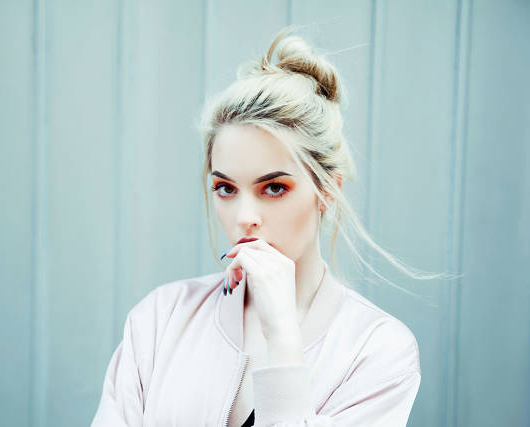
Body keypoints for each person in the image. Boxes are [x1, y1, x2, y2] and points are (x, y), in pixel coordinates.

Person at [91, 26, 439, 426]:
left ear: (326, 190)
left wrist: (283, 338)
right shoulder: (160, 319)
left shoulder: (376, 350)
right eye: (225, 188)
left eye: (274, 187)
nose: (243, 217)